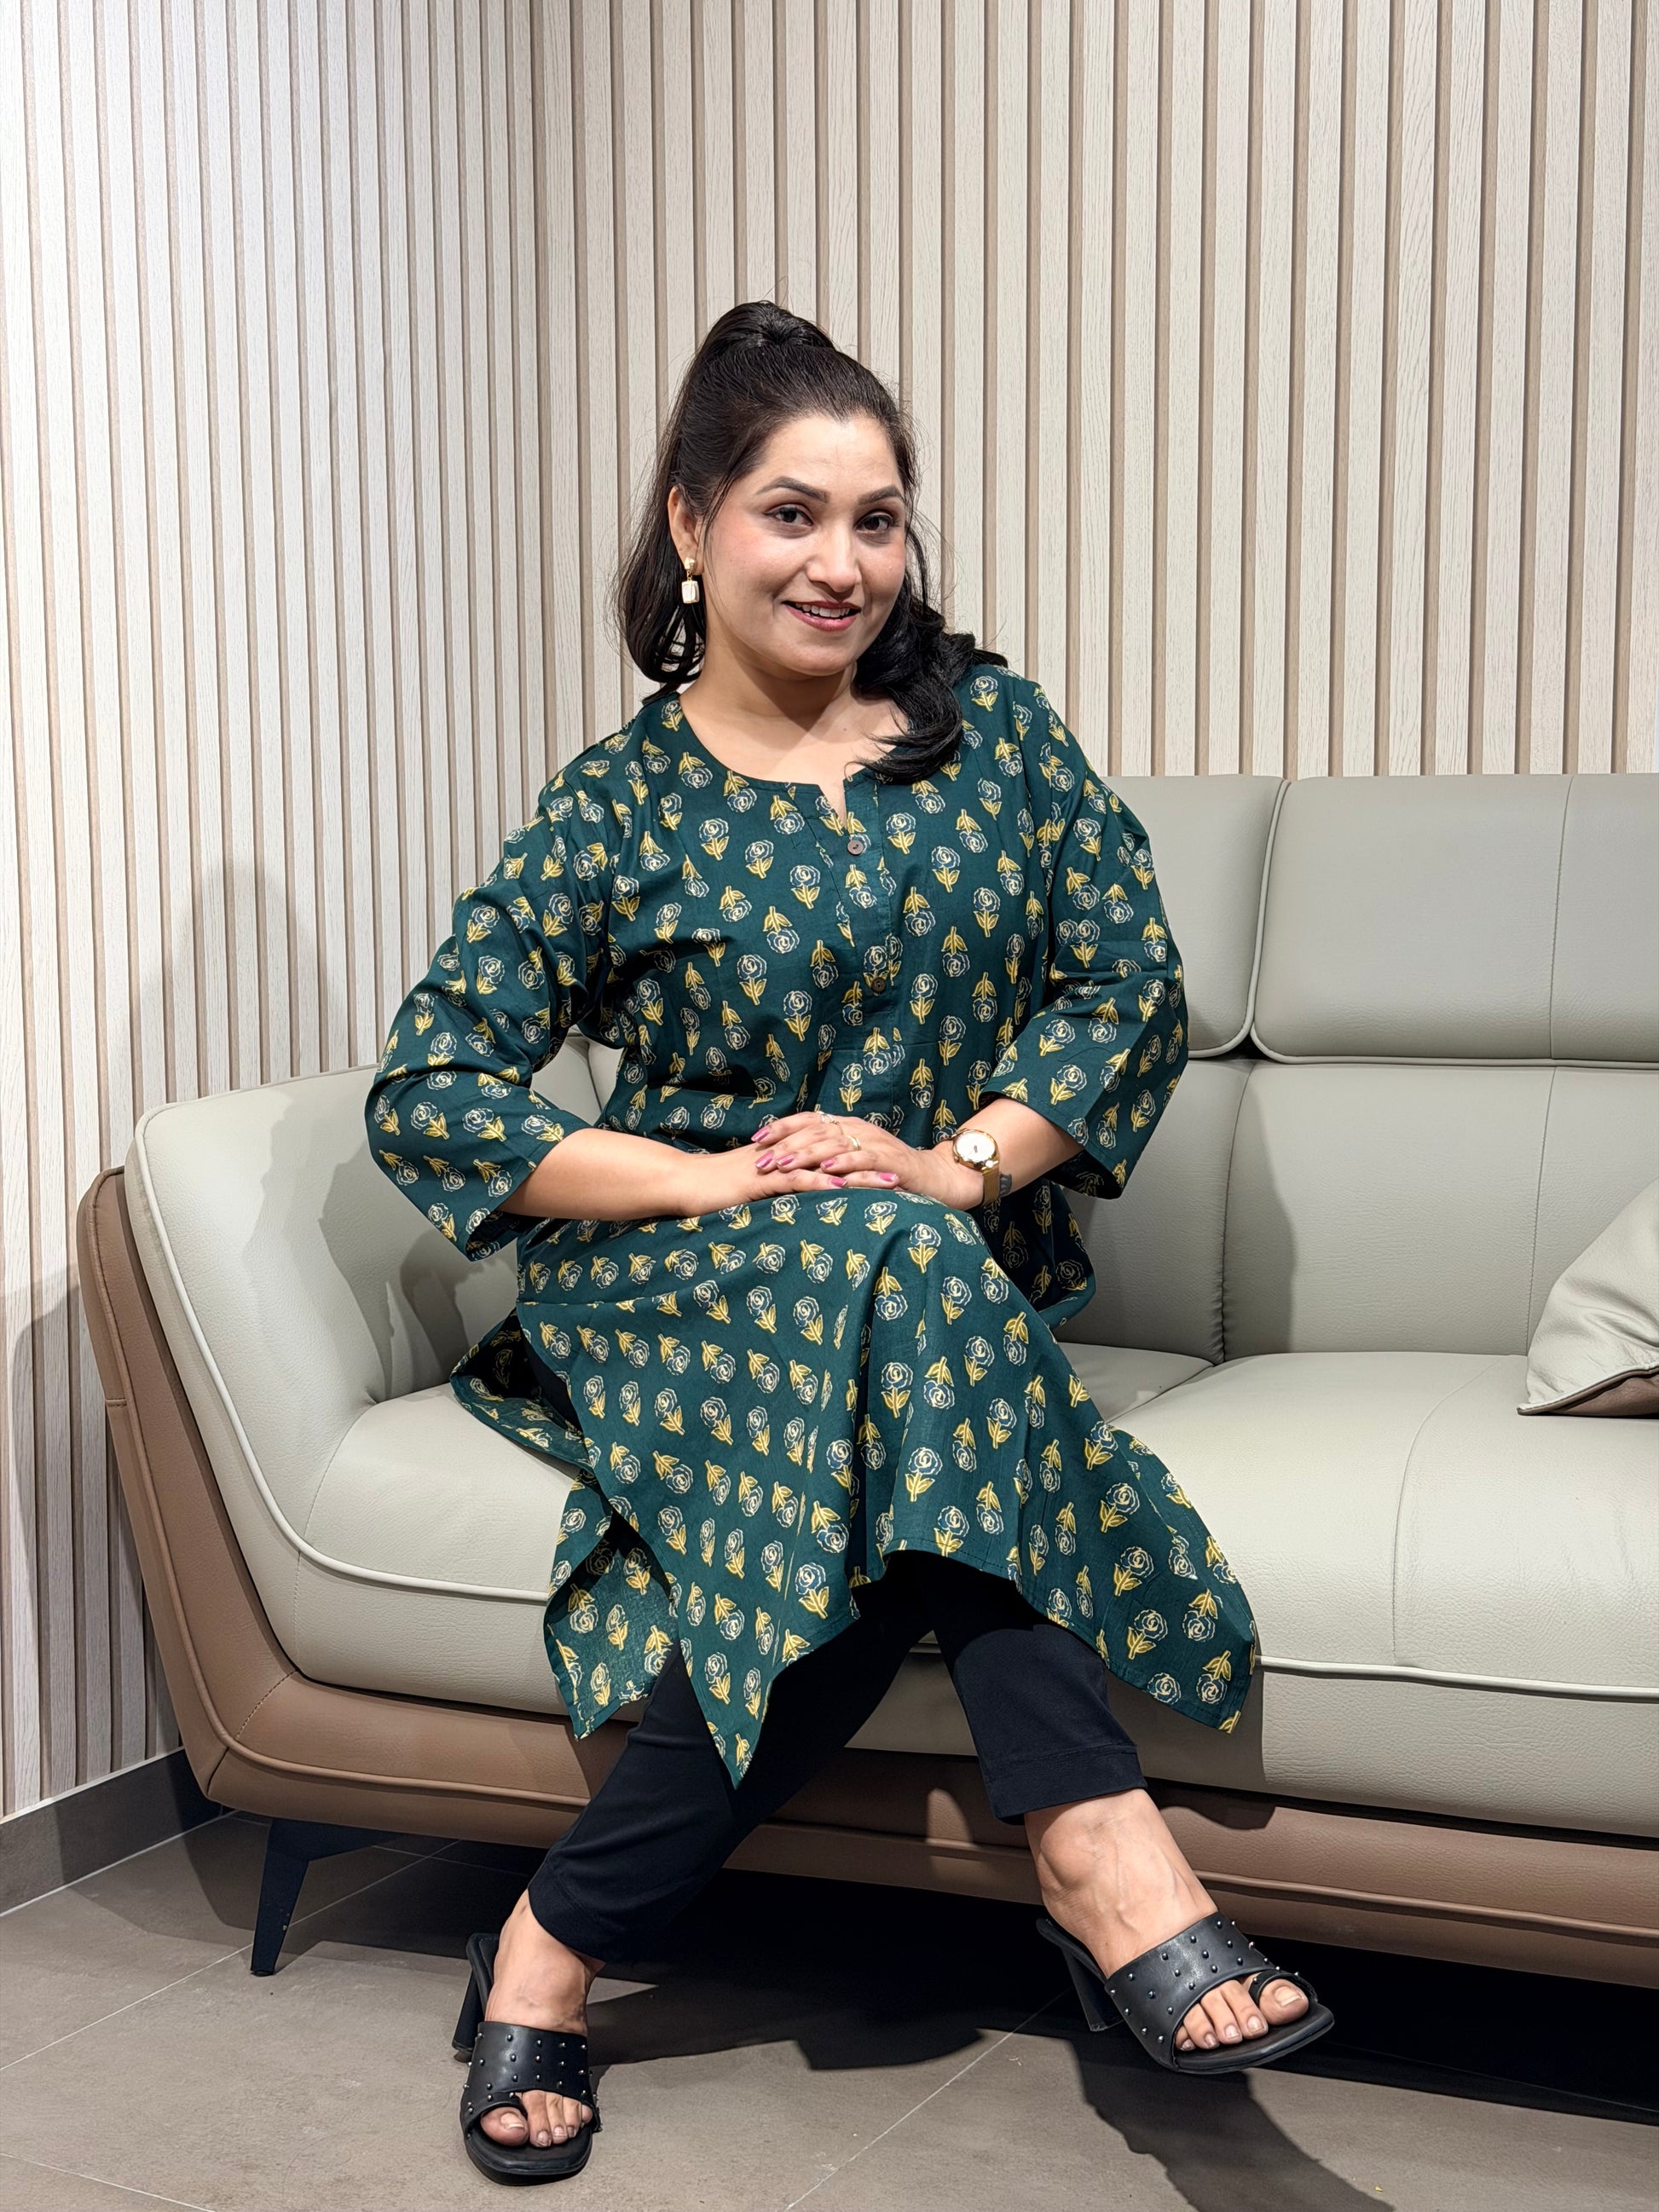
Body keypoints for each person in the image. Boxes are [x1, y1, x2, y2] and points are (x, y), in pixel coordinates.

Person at [367, 300, 1332, 2186]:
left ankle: (551, 1940)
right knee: (872, 1285)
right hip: (681, 1280)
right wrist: (704, 1179)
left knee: (880, 1343)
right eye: (792, 514)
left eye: (876, 519)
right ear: (690, 524)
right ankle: (1097, 1842)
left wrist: (956, 1166)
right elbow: (431, 1087)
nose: (842, 563)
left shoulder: (995, 737)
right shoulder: (617, 804)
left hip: (930, 1269)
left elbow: (1128, 989)